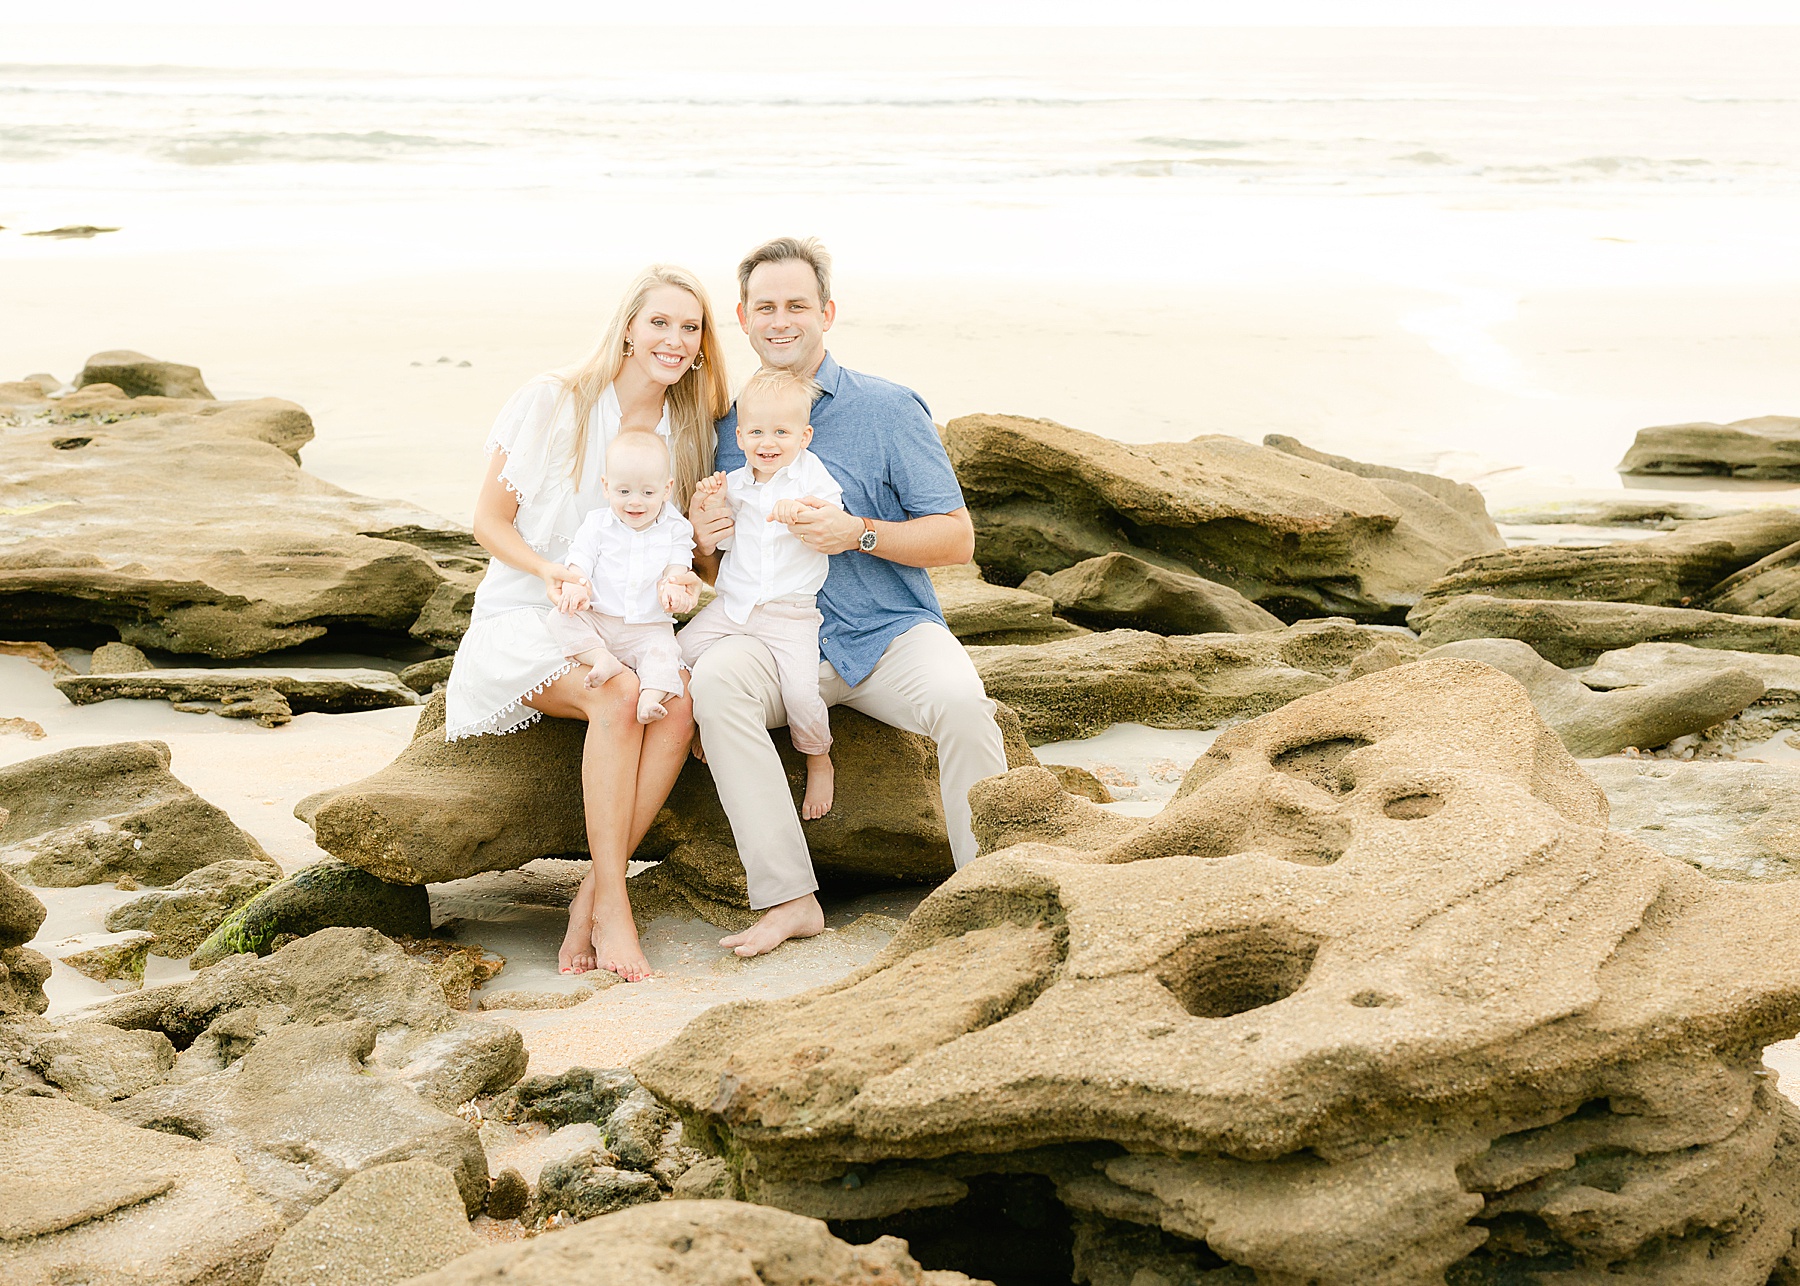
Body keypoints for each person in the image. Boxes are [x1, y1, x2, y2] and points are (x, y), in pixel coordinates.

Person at [686, 236, 1008, 958]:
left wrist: (859, 533)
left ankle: (991, 892)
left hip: (890, 633)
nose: (780, 320)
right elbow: (720, 570)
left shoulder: (890, 410)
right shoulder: (729, 429)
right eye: (764, 306)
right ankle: (789, 900)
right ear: (742, 317)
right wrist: (705, 542)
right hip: (777, 640)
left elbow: (957, 539)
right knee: (715, 679)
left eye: (796, 304)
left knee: (962, 703)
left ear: (826, 312)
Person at [448, 264, 729, 981]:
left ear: (702, 346)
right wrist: (549, 573)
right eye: (659, 322)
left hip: (628, 629)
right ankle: (617, 910)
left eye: (689, 327)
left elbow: (689, 568)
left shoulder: (688, 432)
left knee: (676, 704)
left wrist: (699, 545)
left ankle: (589, 899)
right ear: (628, 328)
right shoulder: (556, 401)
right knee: (615, 694)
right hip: (532, 615)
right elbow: (488, 520)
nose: (674, 338)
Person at [679, 366, 844, 820]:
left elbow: (833, 513)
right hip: (735, 607)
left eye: (781, 432)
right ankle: (706, 723)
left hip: (791, 614)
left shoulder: (812, 478)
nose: (767, 442)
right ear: (739, 436)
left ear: (804, 436)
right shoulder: (734, 482)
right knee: (679, 651)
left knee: (801, 693)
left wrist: (801, 510)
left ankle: (817, 756)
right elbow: (715, 534)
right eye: (756, 431)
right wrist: (707, 499)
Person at [547, 430, 700, 725]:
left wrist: (674, 589)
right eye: (624, 492)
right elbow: (579, 560)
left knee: (665, 651)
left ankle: (651, 697)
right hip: (600, 618)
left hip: (647, 626)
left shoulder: (676, 528)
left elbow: (677, 567)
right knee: (558, 618)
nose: (635, 503)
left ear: (666, 489)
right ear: (606, 487)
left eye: (648, 492)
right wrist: (577, 586)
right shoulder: (596, 525)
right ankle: (599, 657)